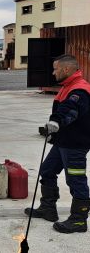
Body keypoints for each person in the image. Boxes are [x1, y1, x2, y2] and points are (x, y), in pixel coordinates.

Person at [25, 54, 90, 233]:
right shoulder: (67, 86)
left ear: (66, 69)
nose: (53, 73)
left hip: (75, 145)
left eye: (55, 69)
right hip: (63, 142)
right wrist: (54, 133)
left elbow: (70, 109)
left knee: (76, 180)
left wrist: (56, 121)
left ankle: (79, 220)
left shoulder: (79, 90)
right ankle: (48, 208)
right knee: (47, 171)